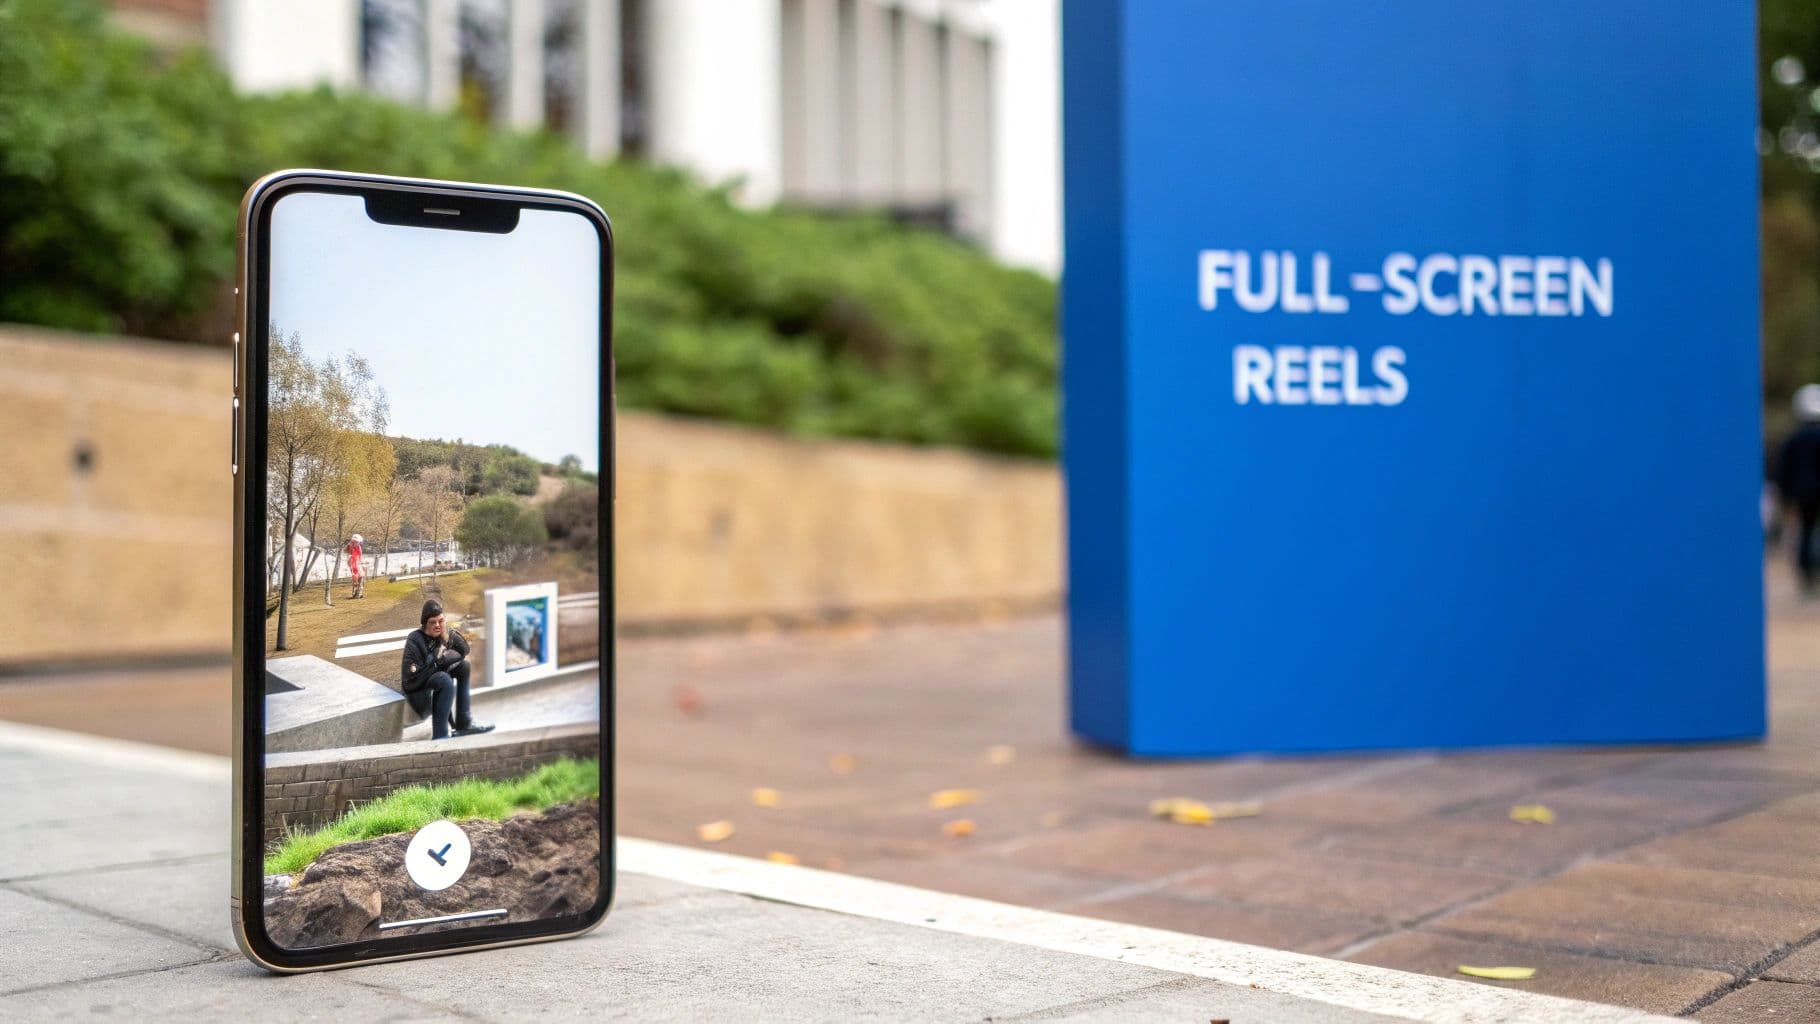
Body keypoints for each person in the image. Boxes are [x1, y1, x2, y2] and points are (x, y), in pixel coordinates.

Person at [400, 600, 494, 739]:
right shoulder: (415, 639)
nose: (438, 625)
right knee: (444, 679)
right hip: (418, 691)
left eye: (441, 621)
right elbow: (411, 680)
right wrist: (438, 664)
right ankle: (441, 735)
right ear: (425, 623)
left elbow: (464, 649)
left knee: (464, 667)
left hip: (434, 678)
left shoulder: (444, 634)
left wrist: (447, 640)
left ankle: (464, 723)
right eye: (433, 622)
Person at [1776, 384, 1820, 592]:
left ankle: (1807, 574)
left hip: (1801, 493)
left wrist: (1784, 493)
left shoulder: (1793, 438)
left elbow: (1784, 467)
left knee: (1805, 530)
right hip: (1814, 490)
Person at [346, 534, 365, 599]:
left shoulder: (358, 547)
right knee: (356, 578)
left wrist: (361, 563)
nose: (356, 543)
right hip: (354, 564)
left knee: (360, 578)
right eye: (354, 542)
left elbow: (360, 556)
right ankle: (355, 593)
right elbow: (349, 555)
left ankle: (359, 593)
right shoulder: (350, 547)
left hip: (357, 564)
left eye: (357, 542)